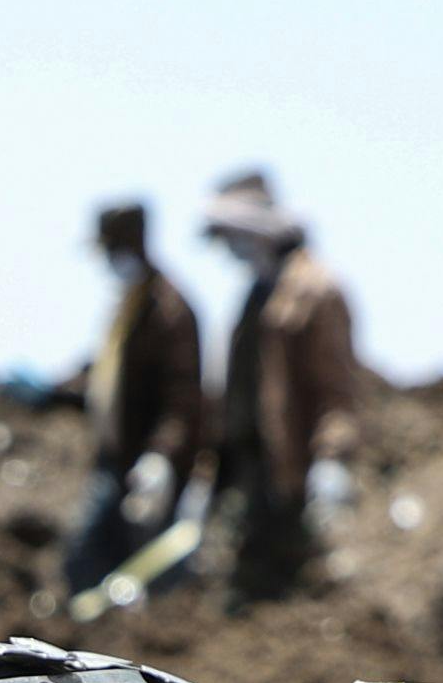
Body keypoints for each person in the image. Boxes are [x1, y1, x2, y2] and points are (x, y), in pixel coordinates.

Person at [201, 171, 363, 603]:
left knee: (282, 590)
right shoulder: (257, 293)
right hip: (250, 471)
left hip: (290, 473)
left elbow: (336, 388)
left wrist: (332, 459)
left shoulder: (316, 290)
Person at [61, 200, 208, 604]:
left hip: (146, 470)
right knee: (87, 563)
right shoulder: (129, 305)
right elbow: (110, 374)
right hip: (113, 460)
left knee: (148, 568)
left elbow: (183, 399)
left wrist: (160, 457)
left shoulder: (170, 310)